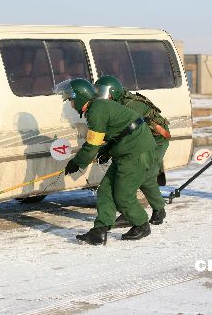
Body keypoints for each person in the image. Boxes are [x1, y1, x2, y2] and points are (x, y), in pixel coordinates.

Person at [61, 78, 157, 245]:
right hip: (127, 149)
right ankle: (100, 231)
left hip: (135, 151)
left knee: (122, 195)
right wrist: (105, 151)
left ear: (81, 97)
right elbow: (118, 131)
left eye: (71, 100)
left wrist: (77, 162)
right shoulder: (97, 107)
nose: (71, 104)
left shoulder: (96, 110)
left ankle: (142, 224)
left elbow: (91, 145)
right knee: (105, 189)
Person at [94, 75, 169, 226]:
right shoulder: (116, 104)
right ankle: (128, 211)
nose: (100, 97)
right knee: (127, 175)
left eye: (103, 93)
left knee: (144, 176)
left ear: (113, 93)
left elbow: (126, 135)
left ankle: (158, 209)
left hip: (156, 140)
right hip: (138, 141)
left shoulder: (130, 106)